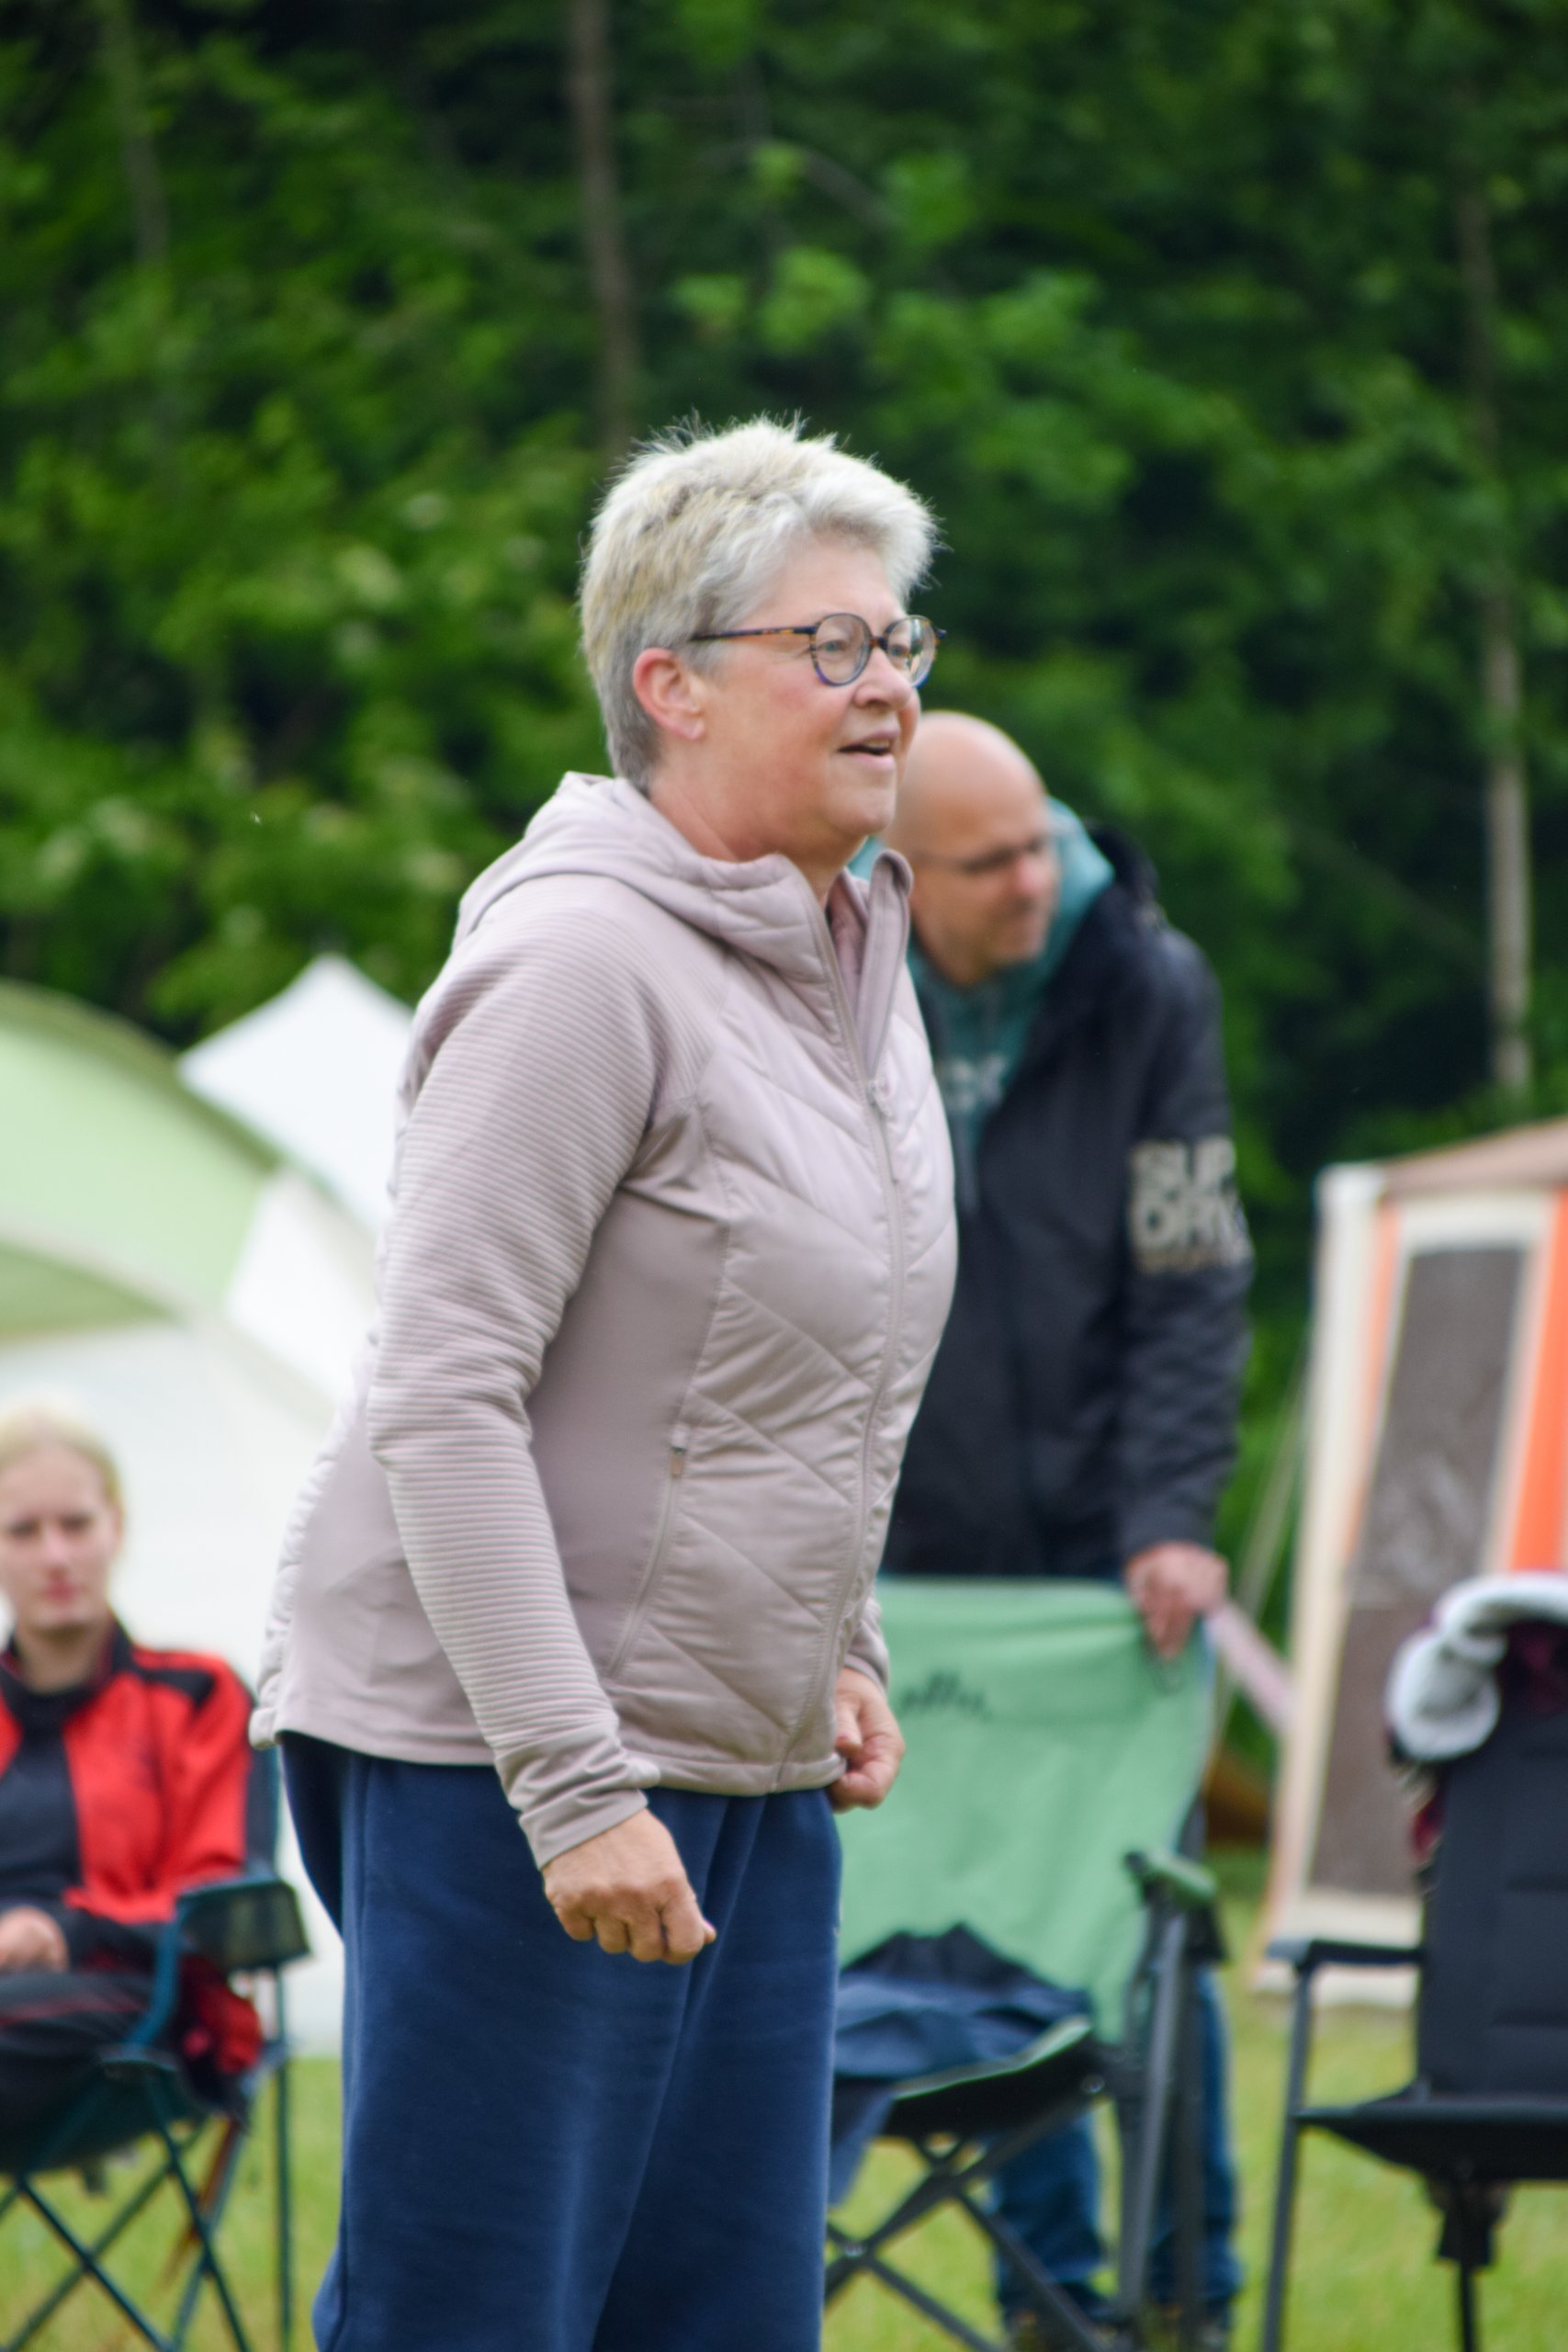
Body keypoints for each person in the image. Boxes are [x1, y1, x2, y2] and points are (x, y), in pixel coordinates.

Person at [254, 418, 959, 2352]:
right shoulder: (578, 962)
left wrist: (835, 1643)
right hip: (502, 1757)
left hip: (742, 1757)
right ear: (671, 683)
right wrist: (571, 1794)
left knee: (723, 2316)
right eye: (831, 645)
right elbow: (441, 1394)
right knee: (474, 2312)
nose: (886, 685)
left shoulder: (852, 956)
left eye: (900, 641)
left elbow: (815, 1360)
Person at [881, 711, 1251, 2348]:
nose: (1034, 881)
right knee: (976, 1927)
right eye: (989, 864)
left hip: (1110, 1557)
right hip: (905, 1551)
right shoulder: (827, 971)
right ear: (899, 874)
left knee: (1144, 1919)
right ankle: (1045, 2298)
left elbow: (1191, 1274)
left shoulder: (1146, 983)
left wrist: (1169, 1516)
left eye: (1040, 845)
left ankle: (1183, 2295)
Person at [0, 1402, 260, 2140]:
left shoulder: (198, 1694)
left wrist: (63, 1928)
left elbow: (221, 1902)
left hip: (146, 2007)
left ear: (116, 1526)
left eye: (76, 1525)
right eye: (23, 1531)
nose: (55, 1555)